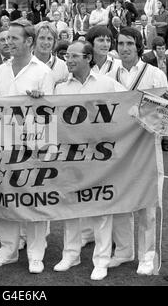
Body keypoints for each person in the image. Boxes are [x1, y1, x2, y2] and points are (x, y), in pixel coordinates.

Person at [0, 19, 54, 274]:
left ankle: (36, 254)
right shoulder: (0, 71)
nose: (8, 42)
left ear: (28, 42)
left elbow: (50, 115)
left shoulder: (43, 72)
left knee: (34, 199)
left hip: (34, 147)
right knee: (6, 198)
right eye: (6, 38)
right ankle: (8, 250)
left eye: (14, 38)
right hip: (3, 146)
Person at [53, 40, 125, 280]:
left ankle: (102, 259)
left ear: (88, 58)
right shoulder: (61, 88)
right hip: (71, 158)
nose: (69, 61)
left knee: (101, 209)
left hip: (100, 159)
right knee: (70, 207)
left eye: (74, 56)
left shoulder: (107, 84)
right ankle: (70, 254)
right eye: (66, 57)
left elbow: (130, 102)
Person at [106, 27, 168, 277]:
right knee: (119, 198)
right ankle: (123, 250)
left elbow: (165, 114)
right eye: (121, 43)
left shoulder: (154, 74)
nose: (124, 48)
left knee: (147, 202)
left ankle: (148, 255)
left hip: (146, 146)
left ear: (139, 46)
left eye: (130, 44)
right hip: (117, 146)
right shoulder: (110, 73)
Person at [33, 22, 69, 89]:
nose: (46, 42)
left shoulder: (62, 66)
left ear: (54, 42)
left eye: (49, 39)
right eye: (42, 38)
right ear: (35, 40)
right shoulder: (25, 64)